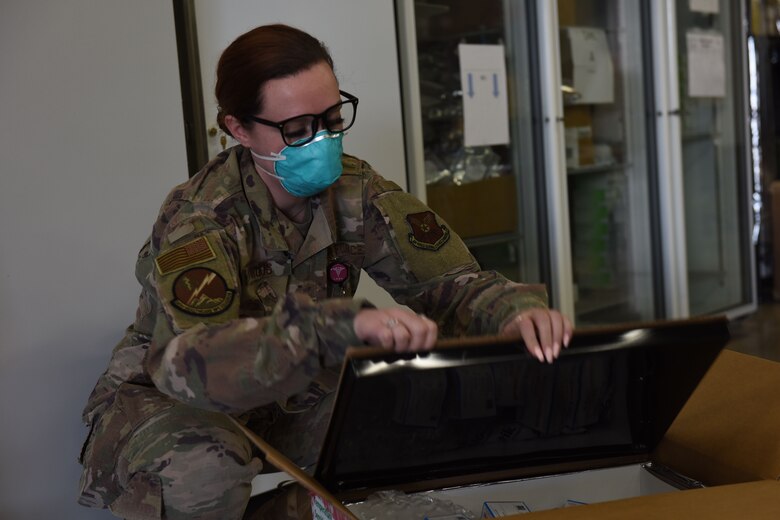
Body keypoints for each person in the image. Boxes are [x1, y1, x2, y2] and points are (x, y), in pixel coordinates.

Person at [77, 23, 572, 520]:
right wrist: (335, 329)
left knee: (407, 413)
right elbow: (191, 367)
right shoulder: (201, 217)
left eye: (333, 118)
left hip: (289, 393)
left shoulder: (355, 191)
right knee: (204, 469)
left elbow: (452, 285)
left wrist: (515, 312)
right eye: (297, 129)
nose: (323, 139)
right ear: (239, 129)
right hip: (169, 402)